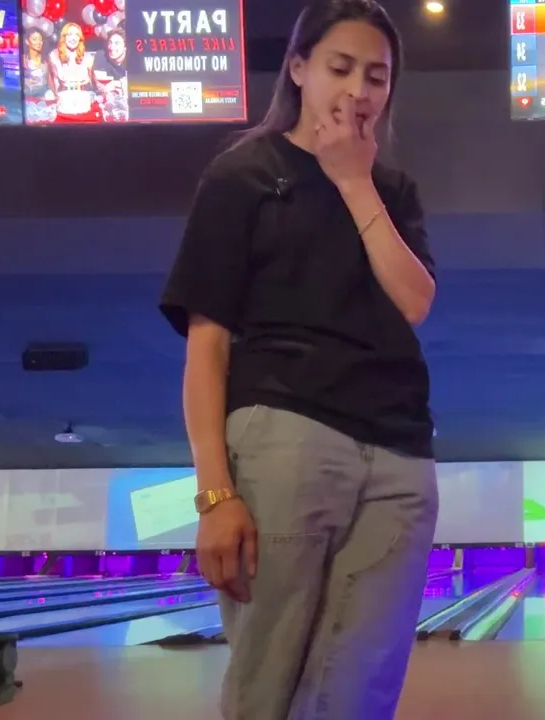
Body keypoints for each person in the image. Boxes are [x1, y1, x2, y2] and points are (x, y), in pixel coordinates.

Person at [158, 1, 439, 718]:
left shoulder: (392, 190)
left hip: (400, 455)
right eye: (340, 68)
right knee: (269, 687)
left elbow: (415, 301)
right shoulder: (243, 175)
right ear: (298, 68)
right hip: (285, 437)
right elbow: (207, 347)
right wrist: (215, 495)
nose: (359, 90)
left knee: (360, 694)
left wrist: (353, 180)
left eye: (376, 76)